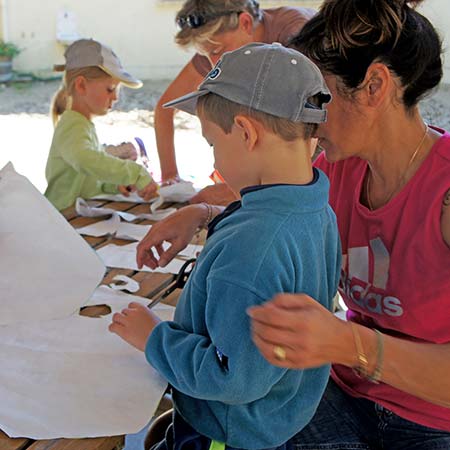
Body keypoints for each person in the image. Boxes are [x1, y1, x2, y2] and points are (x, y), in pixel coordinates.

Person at [135, 1, 450, 447]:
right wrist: (200, 216)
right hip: (340, 391)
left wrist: (348, 343)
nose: (300, 118)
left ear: (374, 86)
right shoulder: (335, 166)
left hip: (430, 423)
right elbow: (267, 199)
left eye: (316, 96)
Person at [110, 43, 341, 450]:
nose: (214, 157)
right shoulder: (314, 208)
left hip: (228, 432)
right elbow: (271, 233)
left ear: (247, 133)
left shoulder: (251, 249)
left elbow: (232, 377)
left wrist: (152, 338)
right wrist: (204, 214)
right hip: (280, 415)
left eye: (213, 143)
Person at [154, 0, 315, 204]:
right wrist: (170, 178)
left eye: (216, 51)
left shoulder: (294, 34)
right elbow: (165, 108)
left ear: (246, 23)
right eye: (205, 54)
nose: (214, 64)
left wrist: (238, 192)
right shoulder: (217, 47)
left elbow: (308, 134)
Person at [45, 38, 158, 211]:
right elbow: (86, 161)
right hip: (61, 219)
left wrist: (114, 185)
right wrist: (135, 173)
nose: (116, 97)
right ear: (81, 85)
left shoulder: (82, 125)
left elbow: (87, 179)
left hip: (77, 216)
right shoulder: (72, 126)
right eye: (110, 89)